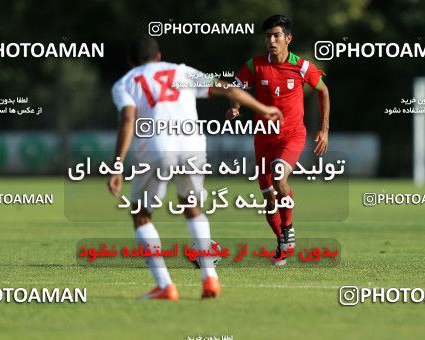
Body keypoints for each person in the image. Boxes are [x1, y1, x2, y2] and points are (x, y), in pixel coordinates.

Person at [108, 35, 282, 300]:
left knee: (141, 213)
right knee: (192, 206)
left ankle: (165, 285)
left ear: (131, 61)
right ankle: (210, 278)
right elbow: (228, 89)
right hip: (192, 145)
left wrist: (117, 165)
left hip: (155, 146)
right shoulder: (180, 72)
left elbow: (128, 117)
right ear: (158, 56)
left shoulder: (126, 82)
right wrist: (263, 108)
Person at [227, 14, 330, 266]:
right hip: (263, 138)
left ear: (288, 39)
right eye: (268, 36)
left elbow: (323, 91)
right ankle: (283, 242)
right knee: (268, 197)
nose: (271, 41)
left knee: (278, 176)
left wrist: (324, 129)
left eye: (276, 36)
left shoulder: (303, 67)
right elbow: (236, 87)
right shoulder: (255, 65)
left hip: (292, 135)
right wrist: (235, 107)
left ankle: (288, 227)